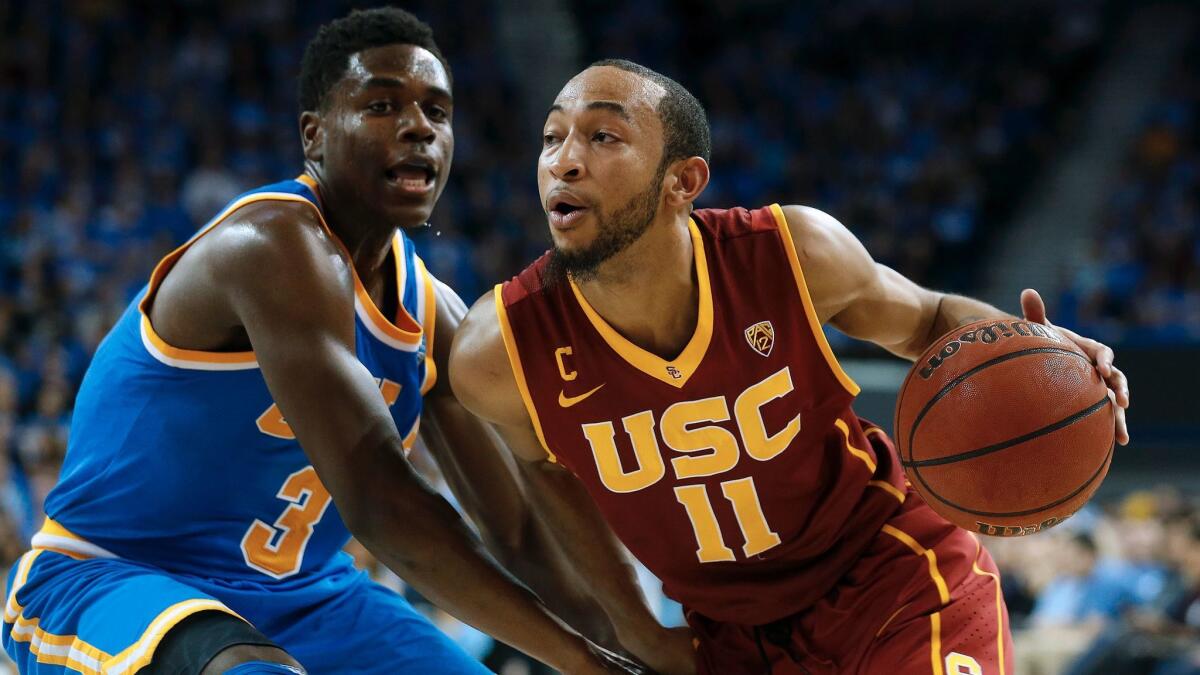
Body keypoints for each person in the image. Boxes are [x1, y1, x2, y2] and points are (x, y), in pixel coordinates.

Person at [449, 59, 1132, 675]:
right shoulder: (499, 350)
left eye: (604, 137)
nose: (563, 161)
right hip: (727, 636)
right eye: (551, 137)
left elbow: (926, 319)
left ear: (682, 181)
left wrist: (1034, 351)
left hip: (889, 577)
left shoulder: (791, 252)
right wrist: (637, 628)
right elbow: (545, 470)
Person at [2, 10, 621, 675]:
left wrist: (632, 648)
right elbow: (384, 503)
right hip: (116, 579)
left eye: (437, 113)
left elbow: (520, 532)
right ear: (314, 134)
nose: (419, 127)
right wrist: (579, 661)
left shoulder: (437, 313)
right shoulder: (269, 243)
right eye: (383, 104)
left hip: (307, 596)